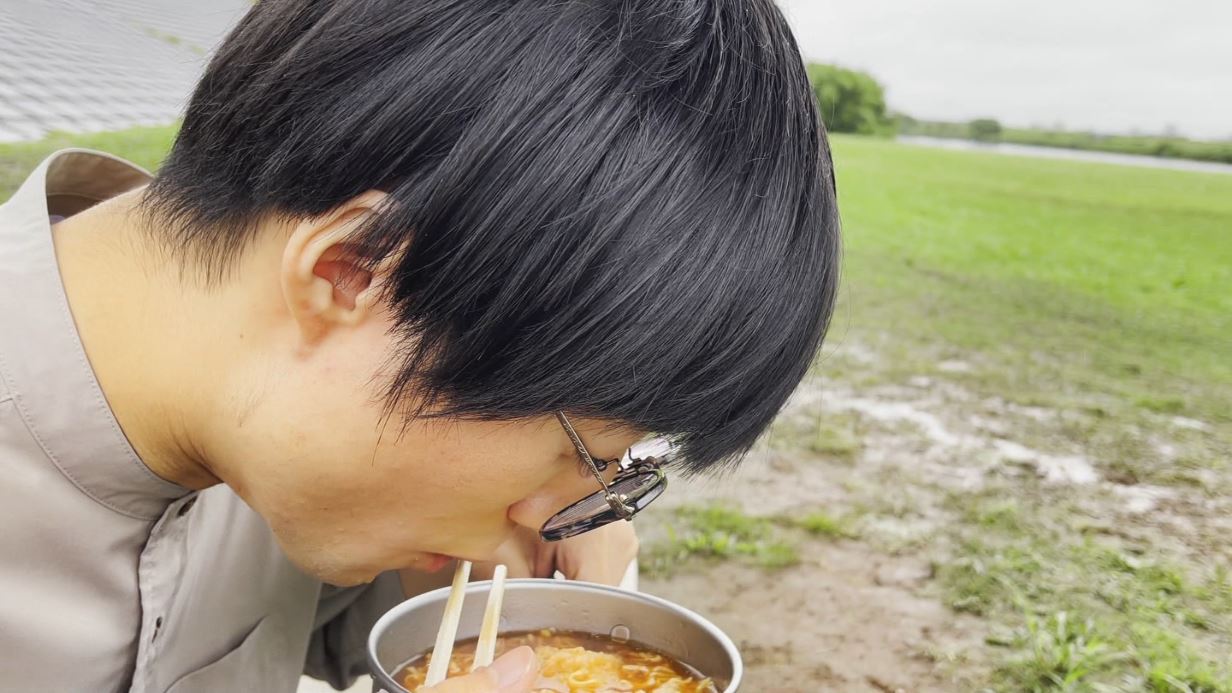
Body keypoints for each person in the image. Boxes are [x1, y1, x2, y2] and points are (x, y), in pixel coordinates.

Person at [0, 0, 839, 691]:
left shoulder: (277, 430)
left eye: (621, 471)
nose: (555, 518)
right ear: (353, 269)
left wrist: (451, 597)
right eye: (580, 453)